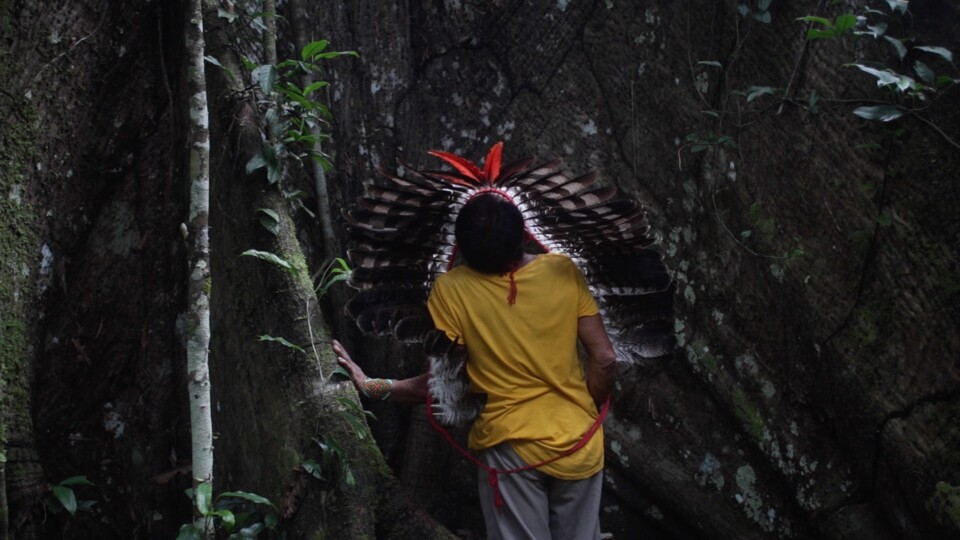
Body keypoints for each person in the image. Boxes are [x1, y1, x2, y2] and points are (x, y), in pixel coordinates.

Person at [333, 192, 617, 540]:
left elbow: (440, 383)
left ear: (463, 246)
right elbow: (604, 358)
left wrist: (373, 386)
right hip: (580, 445)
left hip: (513, 454)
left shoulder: (451, 291)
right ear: (523, 234)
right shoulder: (563, 270)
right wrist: (581, 410)